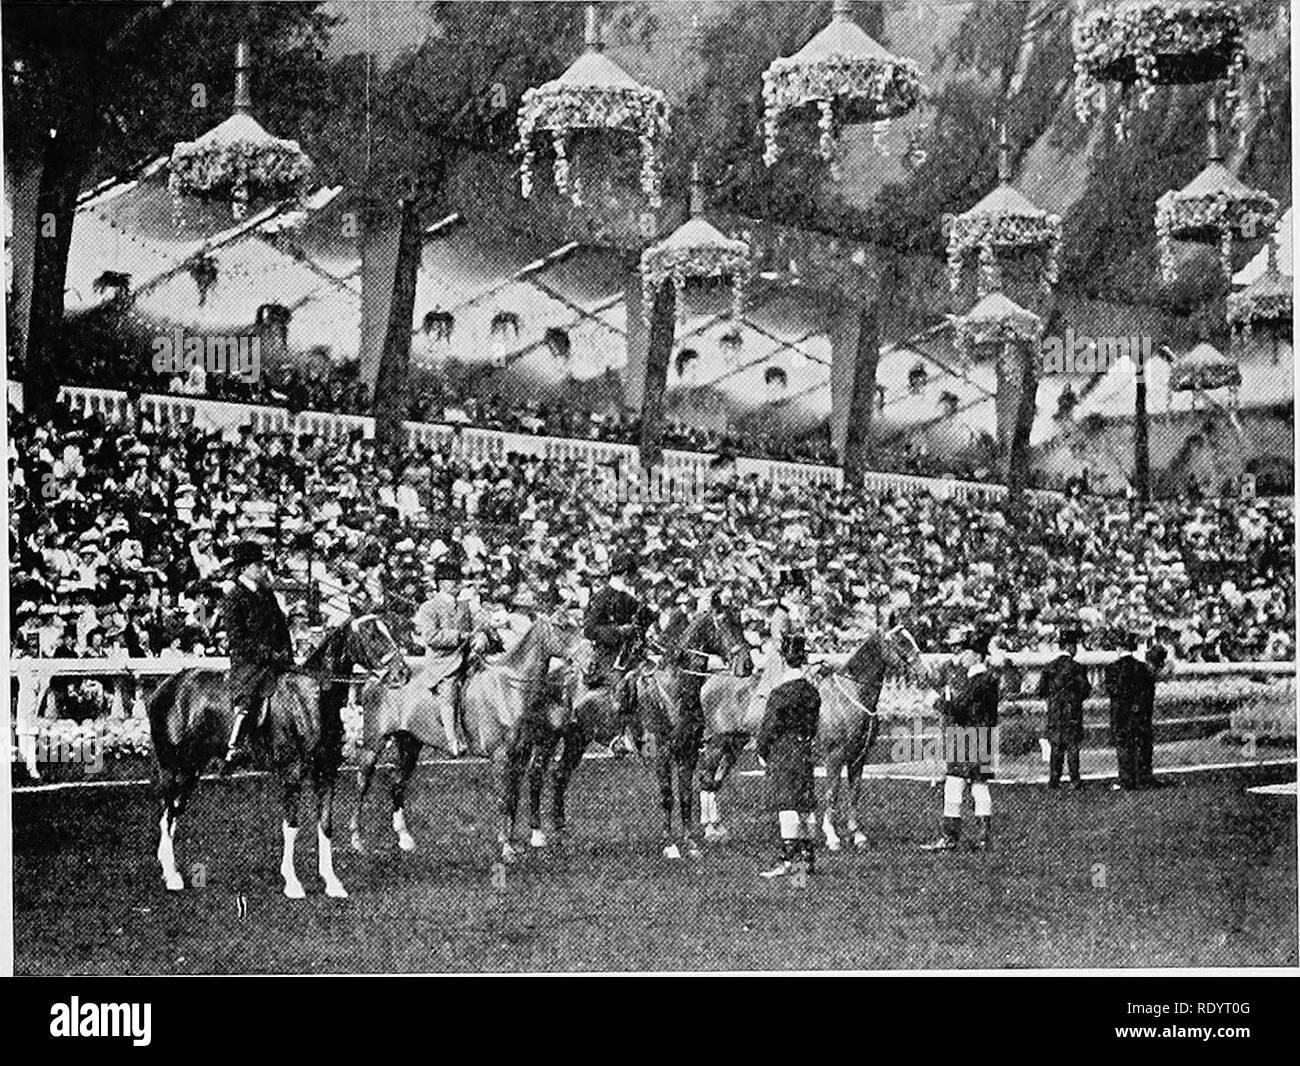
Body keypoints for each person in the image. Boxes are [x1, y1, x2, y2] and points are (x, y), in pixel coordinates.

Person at [921, 627, 999, 852]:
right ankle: (984, 837)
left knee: (954, 785)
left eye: (966, 652)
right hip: (983, 737)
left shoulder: (976, 681)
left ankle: (949, 837)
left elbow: (956, 708)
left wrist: (933, 701)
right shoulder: (990, 679)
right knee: (979, 786)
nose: (961, 657)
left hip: (965, 737)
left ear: (976, 655)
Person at [221, 540, 295, 772]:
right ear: (244, 568)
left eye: (262, 564)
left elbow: (281, 627)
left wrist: (286, 653)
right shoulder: (233, 597)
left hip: (274, 658)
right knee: (249, 697)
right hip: (248, 662)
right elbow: (237, 638)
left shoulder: (267, 594)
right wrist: (265, 653)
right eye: (257, 564)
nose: (263, 569)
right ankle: (235, 746)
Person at [756, 631, 821, 879]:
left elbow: (768, 728)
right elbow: (813, 727)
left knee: (787, 806)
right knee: (805, 805)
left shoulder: (780, 694)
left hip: (783, 751)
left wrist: (763, 751)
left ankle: (788, 862)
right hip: (804, 749)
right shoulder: (812, 693)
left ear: (784, 660)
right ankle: (805, 865)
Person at [412, 558, 487, 757]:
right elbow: (431, 637)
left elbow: (476, 626)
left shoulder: (465, 606)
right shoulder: (429, 607)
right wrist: (459, 636)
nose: (457, 583)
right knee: (449, 689)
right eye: (453, 580)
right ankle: (452, 739)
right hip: (443, 662)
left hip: (466, 658)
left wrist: (480, 636)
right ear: (442, 583)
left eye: (457, 579)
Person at [583, 552, 653, 756]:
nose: (634, 578)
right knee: (622, 687)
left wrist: (647, 614)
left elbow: (646, 620)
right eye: (632, 574)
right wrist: (620, 632)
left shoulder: (630, 598)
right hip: (608, 655)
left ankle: (649, 746)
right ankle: (617, 738)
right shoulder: (602, 596)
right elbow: (589, 629)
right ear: (624, 574)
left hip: (632, 654)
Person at [1038, 626, 1092, 790]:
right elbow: (1085, 690)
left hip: (1055, 711)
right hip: (1073, 711)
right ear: (1070, 647)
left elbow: (1041, 691)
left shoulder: (1049, 667)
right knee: (1072, 746)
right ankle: (1075, 779)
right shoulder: (1078, 667)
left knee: (1056, 746)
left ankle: (1054, 779)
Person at [1105, 629, 1157, 791]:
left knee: (1123, 746)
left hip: (1121, 713)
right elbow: (1149, 692)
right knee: (1141, 744)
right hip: (1139, 713)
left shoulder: (1112, 668)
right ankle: (1143, 776)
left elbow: (1111, 691)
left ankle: (1126, 778)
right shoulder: (1142, 668)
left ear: (1119, 648)